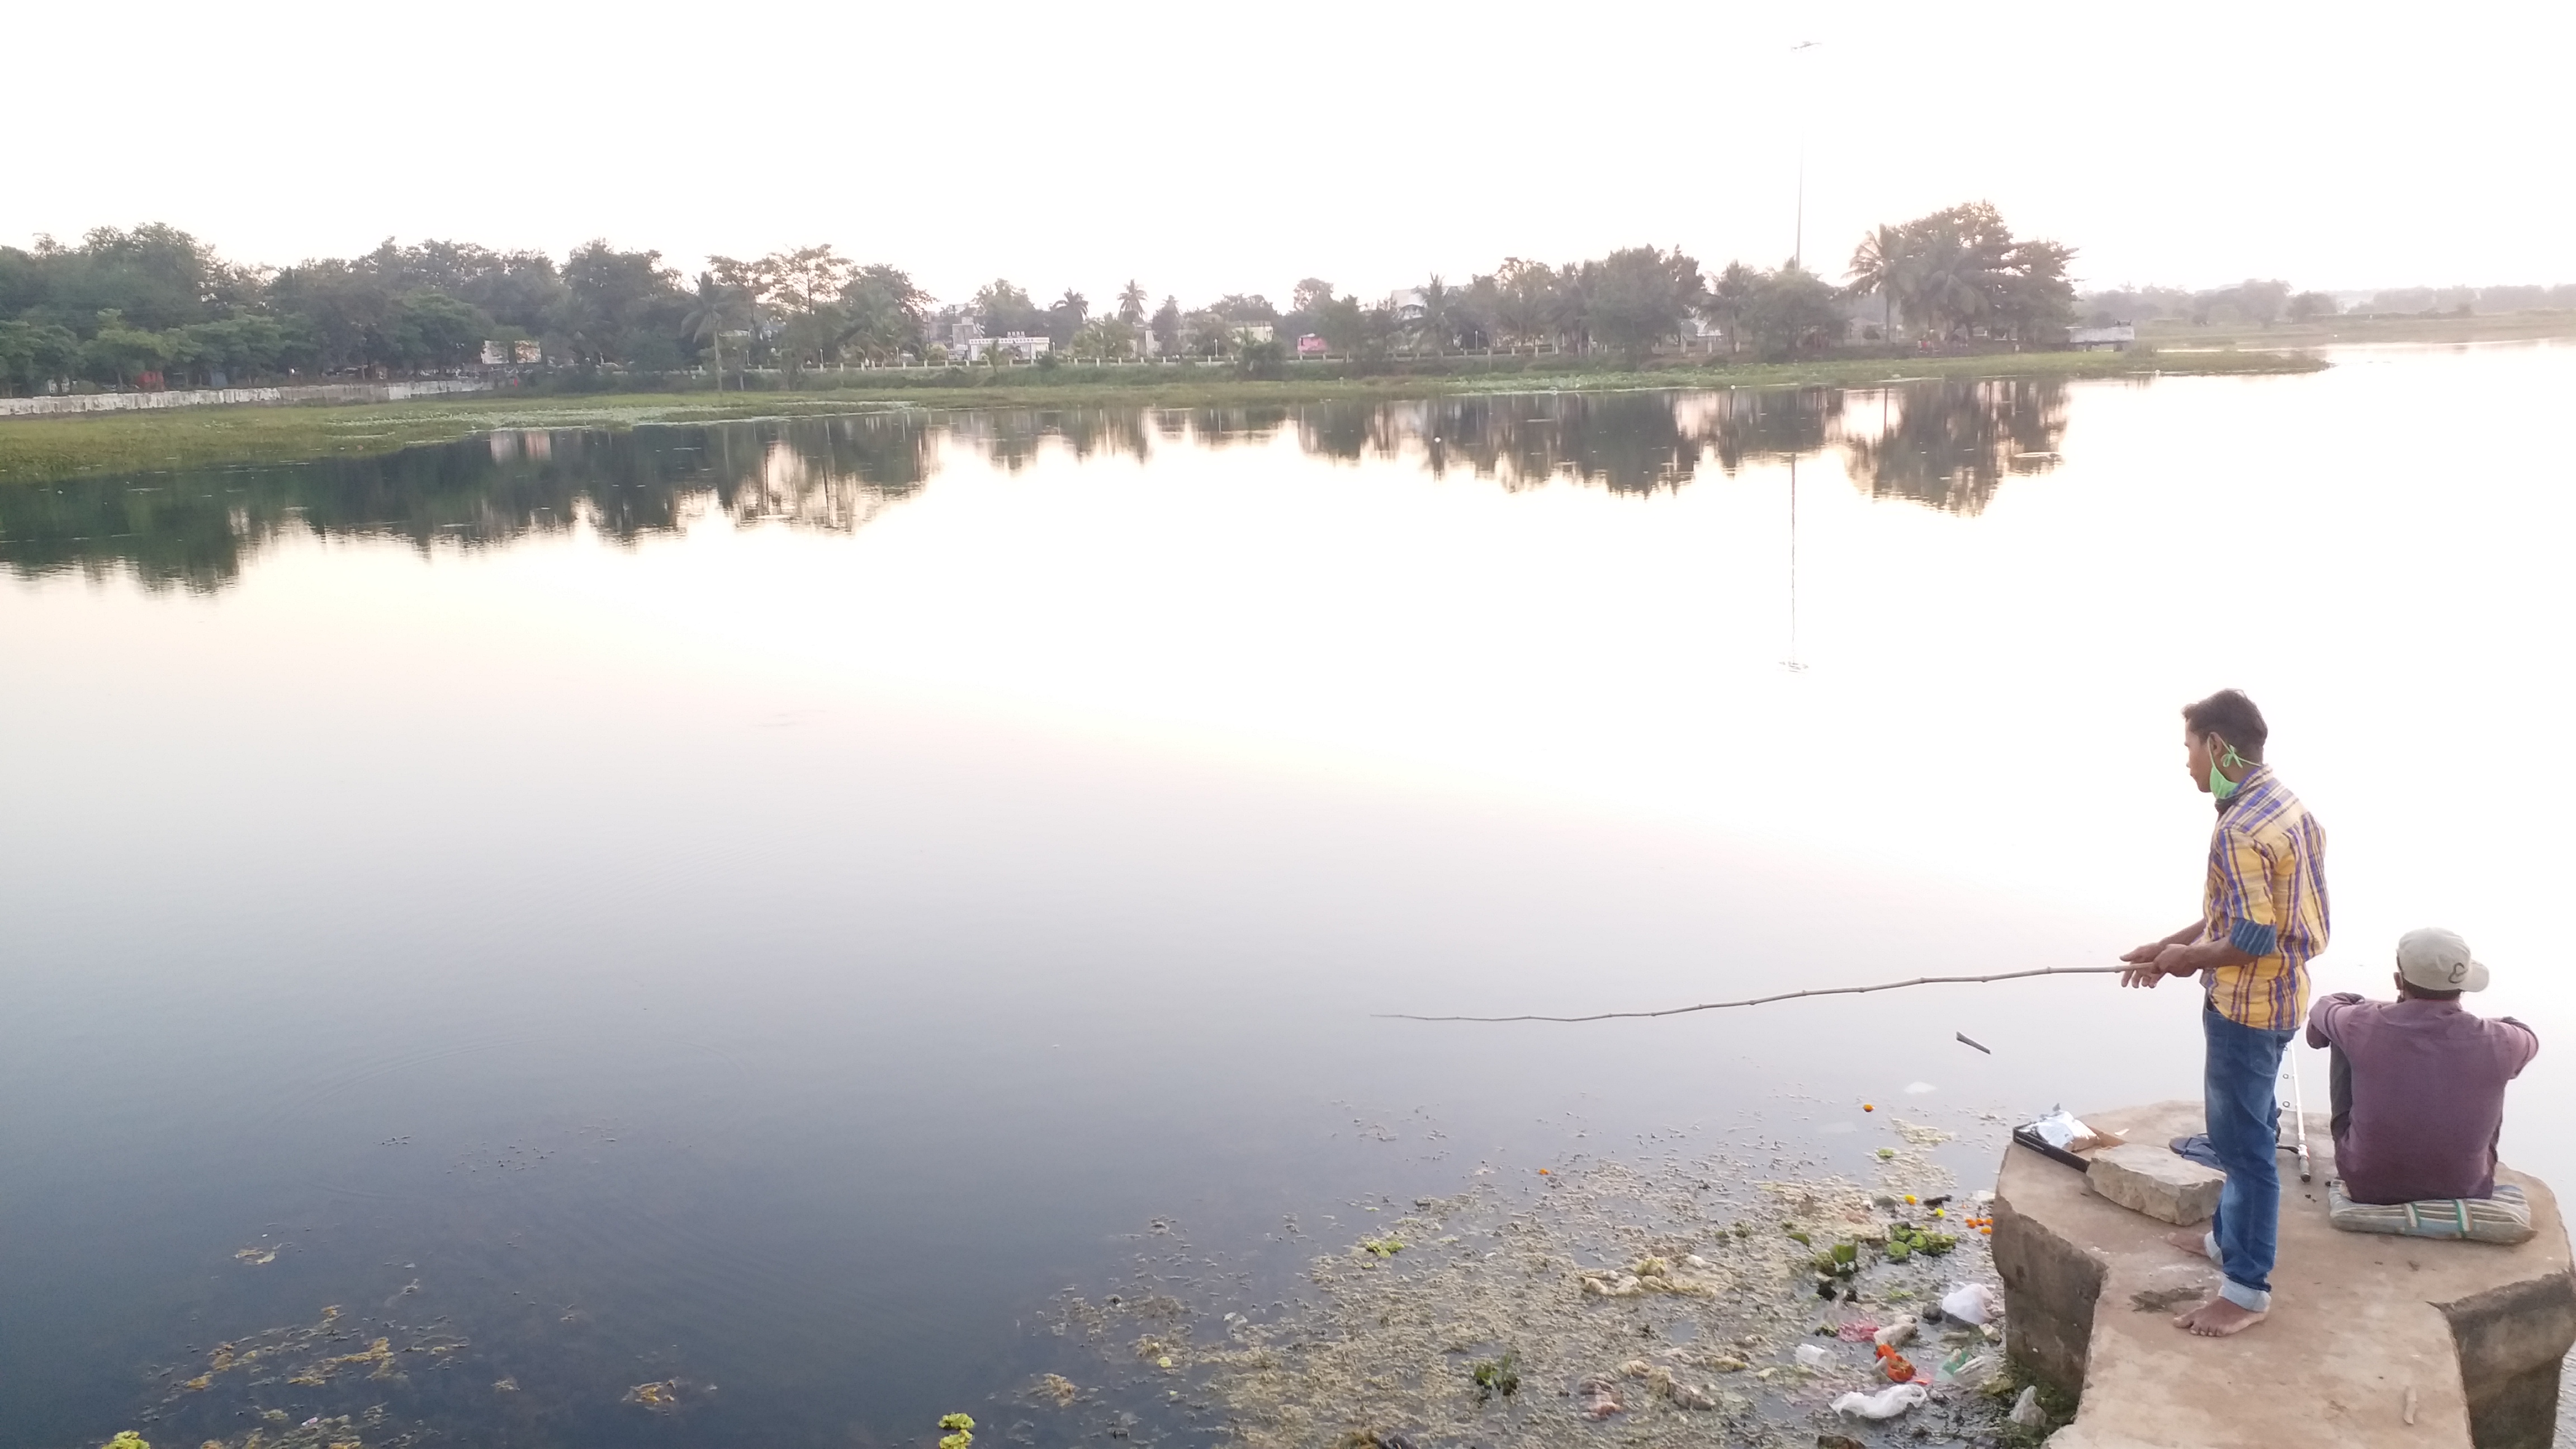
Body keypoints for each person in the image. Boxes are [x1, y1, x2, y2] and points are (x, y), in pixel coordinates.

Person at [2118, 689, 2329, 1338]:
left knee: (2244, 1150)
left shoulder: (2239, 828)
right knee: (2252, 1126)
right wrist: (2168, 946)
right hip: (2287, 996)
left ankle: (2245, 1289)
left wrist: (2188, 961)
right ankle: (2222, 1240)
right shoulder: (2284, 805)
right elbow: (2243, 918)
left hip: (2246, 1007)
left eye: (2189, 747)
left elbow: (2252, 939)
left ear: (2217, 746)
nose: (2186, 763)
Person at [2308, 928, 2537, 1204]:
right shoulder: (2500, 1040)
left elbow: (2324, 1010)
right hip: (2464, 1187)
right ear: (2463, 985)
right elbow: (2523, 1031)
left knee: (2343, 1037)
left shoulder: (2361, 1024)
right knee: (2493, 1066)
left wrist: (2377, 1007)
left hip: (2368, 1184)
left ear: (2398, 980)